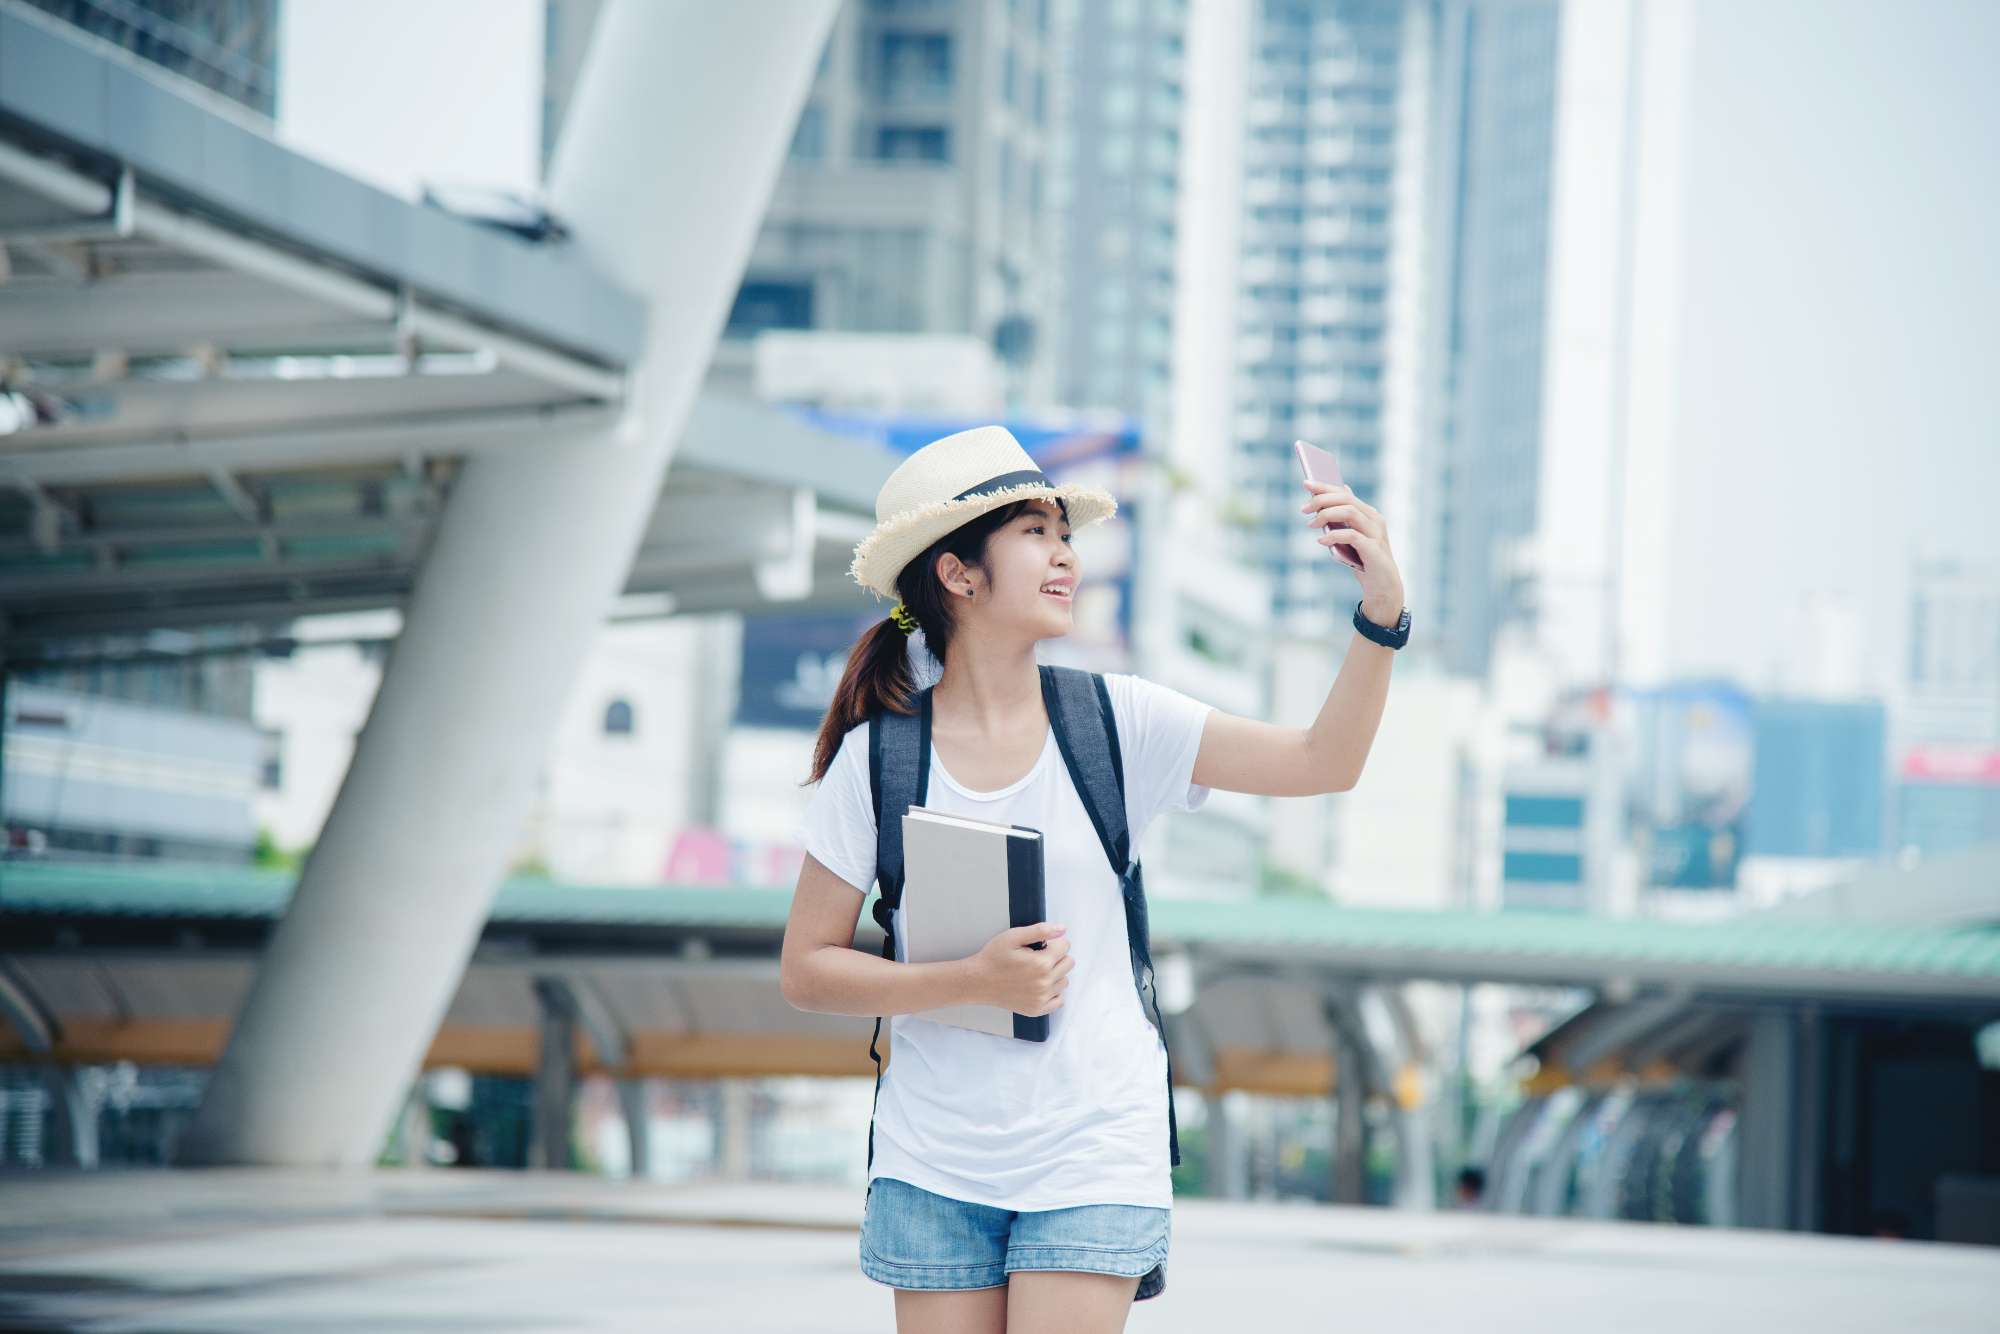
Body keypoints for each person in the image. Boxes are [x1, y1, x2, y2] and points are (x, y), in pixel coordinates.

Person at [780, 425, 1406, 1333]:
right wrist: (970, 982)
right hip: (932, 1158)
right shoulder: (877, 760)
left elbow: (1324, 760)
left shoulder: (1117, 721)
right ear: (957, 573)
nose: (1066, 554)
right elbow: (806, 970)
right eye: (1035, 534)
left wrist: (1381, 613)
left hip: (1093, 1144)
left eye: (1064, 534)